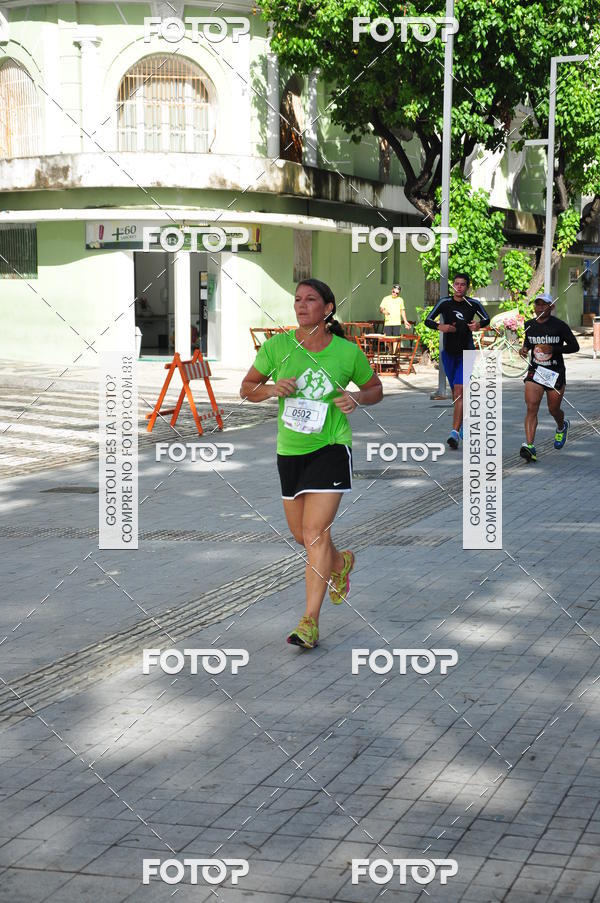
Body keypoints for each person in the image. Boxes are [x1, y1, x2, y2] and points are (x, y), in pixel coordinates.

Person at [240, 279, 383, 650]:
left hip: (332, 447)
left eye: (310, 300)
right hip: (290, 450)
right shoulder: (277, 347)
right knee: (302, 536)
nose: (302, 306)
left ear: (328, 308)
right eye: (298, 300)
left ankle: (310, 621)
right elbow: (247, 388)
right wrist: (271, 389)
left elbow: (375, 389)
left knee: (315, 532)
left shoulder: (346, 352)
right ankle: (340, 563)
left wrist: (357, 398)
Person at [424, 274, 490, 448]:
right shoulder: (445, 302)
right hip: (449, 353)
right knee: (456, 394)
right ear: (453, 286)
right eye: (456, 284)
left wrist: (478, 325)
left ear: (467, 287)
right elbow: (428, 320)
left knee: (460, 390)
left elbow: (486, 319)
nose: (459, 287)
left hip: (467, 352)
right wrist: (440, 326)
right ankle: (462, 424)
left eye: (462, 285)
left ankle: (454, 432)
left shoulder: (473, 304)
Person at [518, 292, 579, 463]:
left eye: (544, 305)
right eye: (537, 305)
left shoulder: (560, 326)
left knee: (554, 409)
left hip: (555, 373)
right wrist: (524, 350)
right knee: (531, 407)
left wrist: (554, 349)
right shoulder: (529, 325)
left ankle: (561, 426)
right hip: (536, 372)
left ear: (551, 307)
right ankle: (529, 446)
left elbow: (575, 346)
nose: (540, 308)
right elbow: (528, 344)